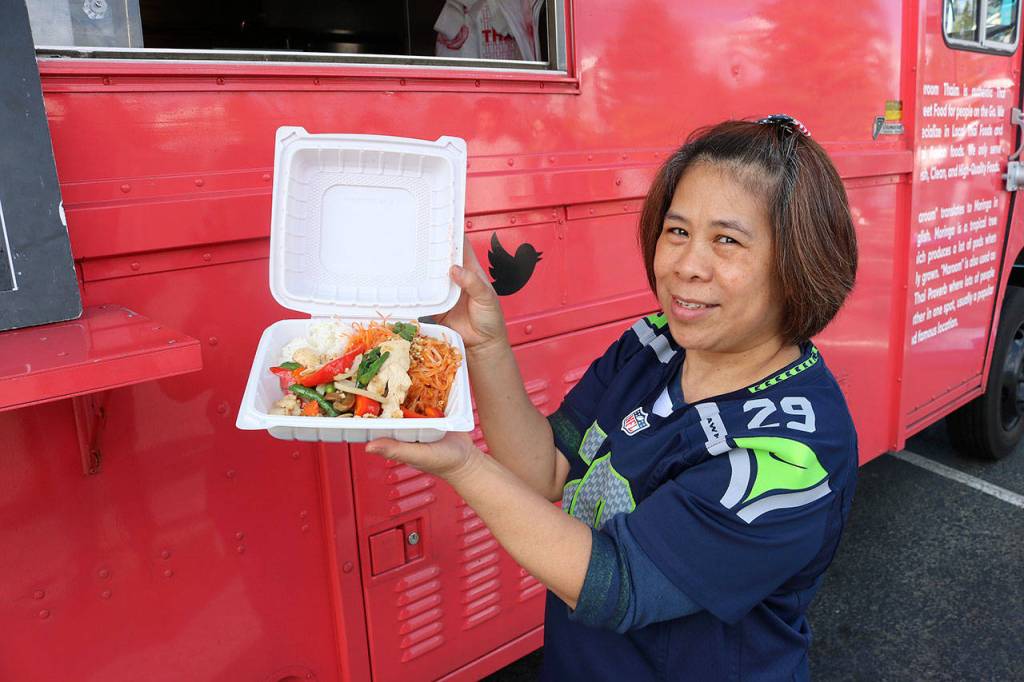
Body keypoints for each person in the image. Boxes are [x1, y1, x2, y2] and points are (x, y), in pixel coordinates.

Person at [366, 116, 859, 681]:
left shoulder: (794, 453)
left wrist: (461, 464)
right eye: (677, 232)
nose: (685, 265)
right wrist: (484, 341)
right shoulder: (652, 347)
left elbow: (617, 583)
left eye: (727, 240)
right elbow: (545, 468)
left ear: (797, 264)